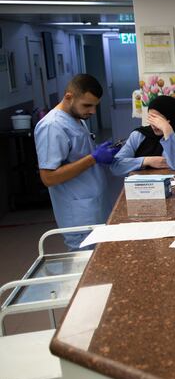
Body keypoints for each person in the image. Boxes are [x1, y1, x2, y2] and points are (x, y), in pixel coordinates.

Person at [34, 74, 119, 250]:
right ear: (69, 97)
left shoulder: (76, 118)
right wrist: (93, 158)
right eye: (87, 105)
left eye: (95, 106)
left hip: (94, 209)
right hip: (79, 217)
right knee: (88, 272)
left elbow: (78, 155)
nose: (92, 111)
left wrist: (101, 154)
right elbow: (48, 177)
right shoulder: (52, 126)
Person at [111, 95, 175, 176]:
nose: (153, 124)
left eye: (158, 120)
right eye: (151, 118)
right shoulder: (139, 135)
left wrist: (167, 131)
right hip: (141, 190)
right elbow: (116, 166)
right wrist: (146, 161)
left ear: (172, 119)